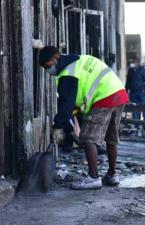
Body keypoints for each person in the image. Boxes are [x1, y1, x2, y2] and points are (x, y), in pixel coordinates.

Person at [39, 46, 129, 190]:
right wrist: (69, 120)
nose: (49, 71)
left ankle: (93, 178)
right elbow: (74, 102)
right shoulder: (79, 60)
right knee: (111, 137)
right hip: (118, 92)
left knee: (87, 138)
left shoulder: (67, 73)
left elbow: (66, 103)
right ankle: (112, 174)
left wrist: (58, 126)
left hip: (103, 97)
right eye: (45, 68)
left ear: (56, 57)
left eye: (49, 66)